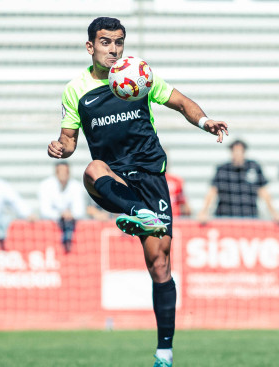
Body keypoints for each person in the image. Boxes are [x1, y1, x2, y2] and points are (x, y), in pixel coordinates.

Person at [46, 17, 228, 367]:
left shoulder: (139, 75)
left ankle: (164, 351)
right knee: (90, 169)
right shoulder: (76, 89)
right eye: (105, 42)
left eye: (118, 42)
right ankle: (135, 212)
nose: (113, 49)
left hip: (150, 177)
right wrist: (59, 147)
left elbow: (180, 102)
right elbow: (69, 141)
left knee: (159, 264)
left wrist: (205, 122)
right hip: (114, 178)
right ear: (90, 47)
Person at [197, 139, 279, 223]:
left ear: (244, 152)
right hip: (225, 218)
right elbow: (212, 192)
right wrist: (204, 212)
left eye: (240, 151)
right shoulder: (223, 169)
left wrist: (274, 213)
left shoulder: (254, 167)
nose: (237, 154)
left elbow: (264, 193)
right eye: (235, 151)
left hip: (249, 218)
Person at [38, 162, 88, 252]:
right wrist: (60, 215)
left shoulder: (76, 186)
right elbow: (44, 211)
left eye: (65, 172)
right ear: (56, 173)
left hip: (71, 225)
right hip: (50, 230)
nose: (63, 174)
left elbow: (80, 211)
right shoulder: (45, 185)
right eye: (60, 171)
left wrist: (70, 214)